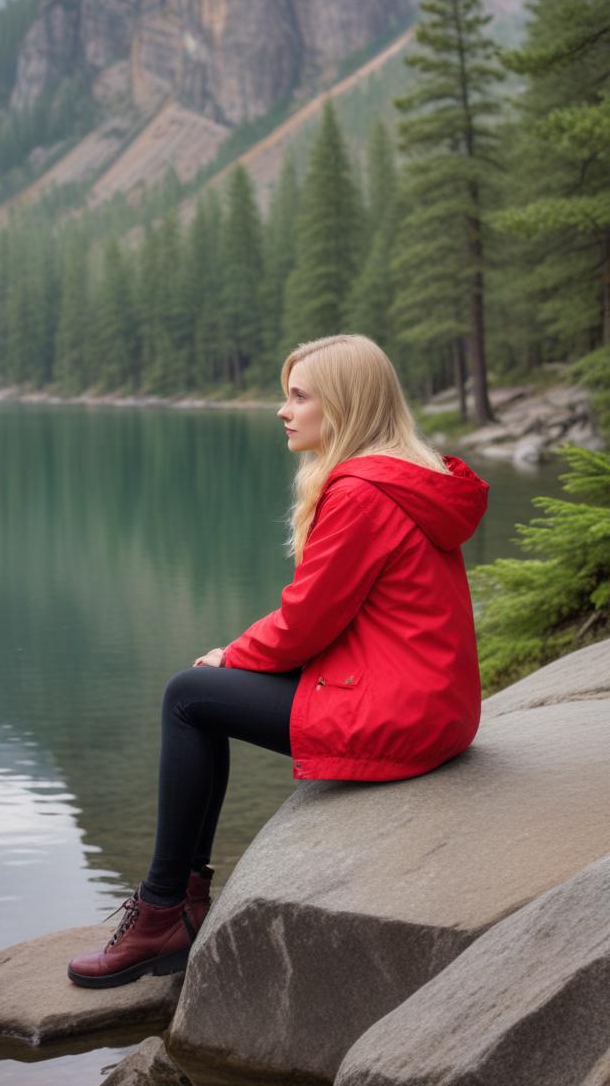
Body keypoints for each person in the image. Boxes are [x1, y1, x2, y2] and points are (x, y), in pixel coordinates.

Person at [67, 332, 489, 989]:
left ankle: (161, 911)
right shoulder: (410, 478)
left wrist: (230, 654)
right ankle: (182, 902)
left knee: (188, 697)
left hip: (400, 713)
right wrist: (239, 660)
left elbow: (303, 624)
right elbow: (327, 619)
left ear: (343, 407)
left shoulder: (361, 493)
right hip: (438, 704)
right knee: (210, 695)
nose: (282, 410)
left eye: (298, 396)